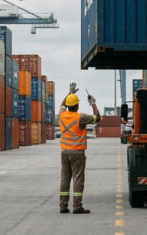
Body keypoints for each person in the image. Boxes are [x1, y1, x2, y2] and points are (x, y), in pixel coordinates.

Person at [58, 82, 101, 214]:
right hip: (77, 153)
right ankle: (77, 206)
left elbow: (61, 105)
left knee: (65, 179)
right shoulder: (80, 117)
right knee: (78, 178)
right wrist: (93, 103)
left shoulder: (62, 115)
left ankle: (63, 206)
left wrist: (70, 93)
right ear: (77, 105)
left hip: (64, 152)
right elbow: (97, 118)